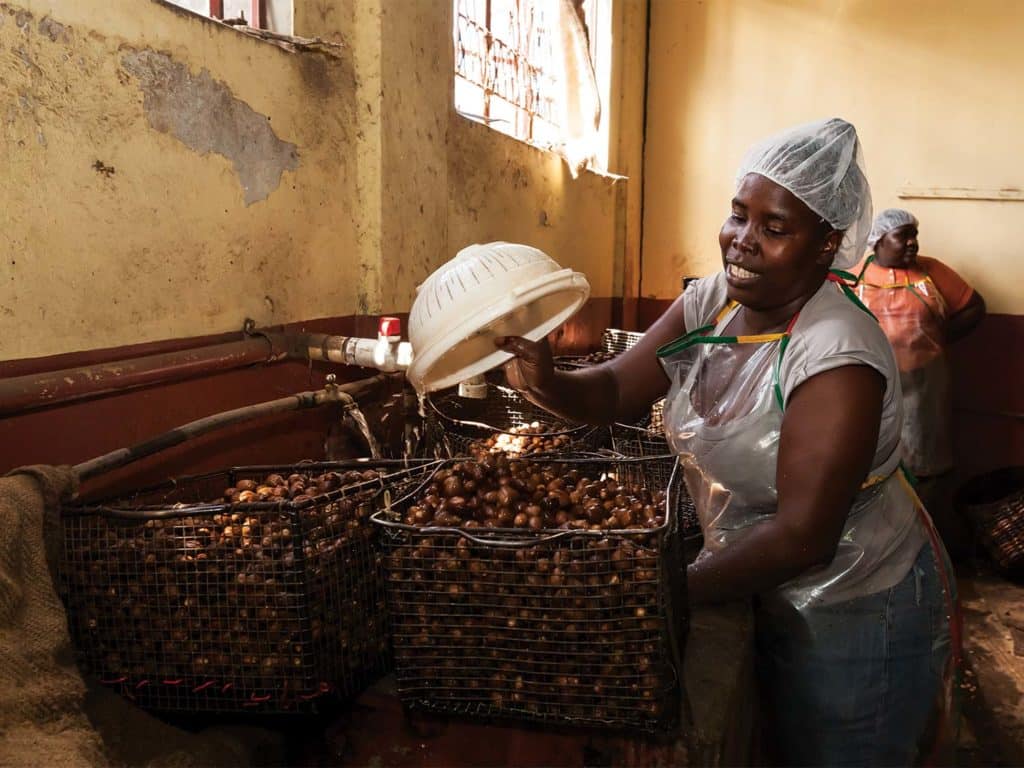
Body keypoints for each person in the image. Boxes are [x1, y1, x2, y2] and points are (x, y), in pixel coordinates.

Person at [495, 119, 956, 766]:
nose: (741, 242)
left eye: (774, 228)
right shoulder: (712, 301)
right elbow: (612, 392)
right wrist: (544, 382)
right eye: (738, 215)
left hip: (854, 604)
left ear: (827, 244)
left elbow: (803, 536)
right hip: (758, 578)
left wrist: (656, 586)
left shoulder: (836, 353)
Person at [853, 209, 985, 514]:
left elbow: (975, 308)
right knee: (871, 456)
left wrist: (936, 339)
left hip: (925, 383)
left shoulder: (932, 272)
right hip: (871, 385)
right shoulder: (856, 276)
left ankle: (924, 529)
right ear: (879, 240)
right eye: (903, 236)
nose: (913, 243)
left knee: (927, 460)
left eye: (915, 235)